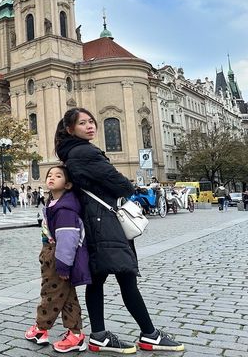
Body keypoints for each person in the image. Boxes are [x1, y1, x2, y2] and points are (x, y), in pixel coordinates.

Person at [55, 107, 184, 353]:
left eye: (92, 121)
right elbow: (121, 184)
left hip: (96, 221)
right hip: (106, 222)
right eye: (83, 123)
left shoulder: (71, 152)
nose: (90, 126)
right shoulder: (85, 151)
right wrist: (125, 186)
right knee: (126, 277)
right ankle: (149, 334)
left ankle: (100, 335)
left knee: (99, 278)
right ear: (70, 129)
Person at [25, 165, 91, 352]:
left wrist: (62, 266)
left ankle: (40, 329)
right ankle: (75, 334)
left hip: (57, 258)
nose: (52, 177)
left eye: (58, 175)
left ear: (68, 184)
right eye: (49, 175)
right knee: (68, 296)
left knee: (50, 294)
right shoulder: (54, 203)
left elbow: (68, 240)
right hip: (53, 255)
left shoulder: (64, 209)